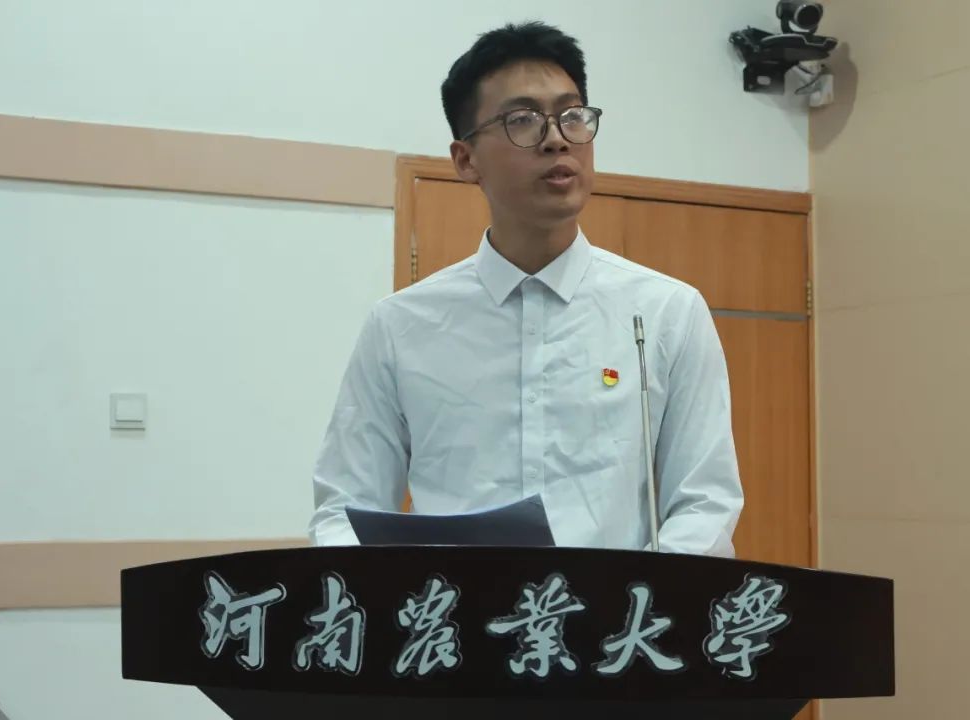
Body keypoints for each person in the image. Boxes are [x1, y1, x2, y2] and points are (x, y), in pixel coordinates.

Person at [308, 21, 742, 556]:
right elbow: (346, 509)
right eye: (523, 120)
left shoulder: (667, 312)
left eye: (572, 116)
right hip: (453, 609)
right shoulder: (399, 327)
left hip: (613, 608)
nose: (557, 138)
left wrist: (640, 597)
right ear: (466, 159)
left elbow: (704, 504)